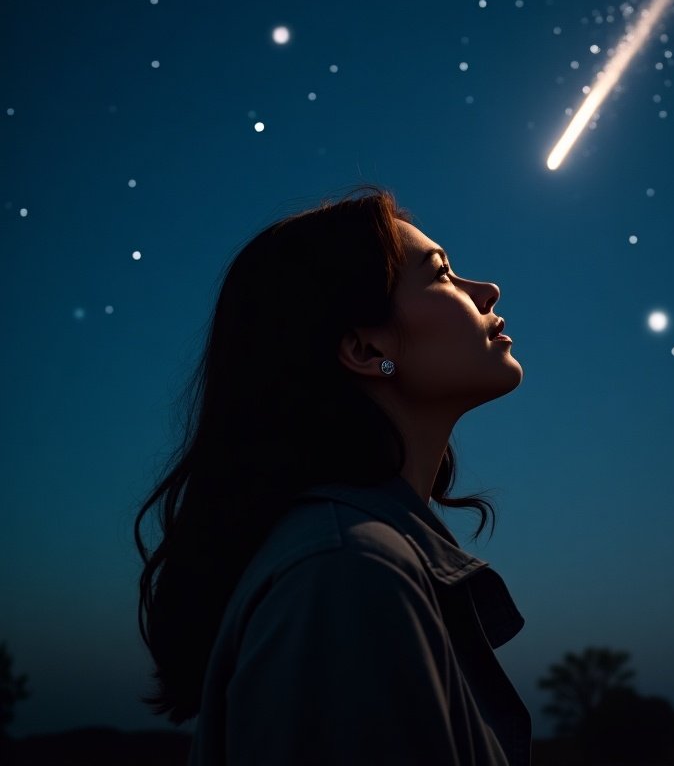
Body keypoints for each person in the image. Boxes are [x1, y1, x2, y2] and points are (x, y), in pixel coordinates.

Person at [134, 184, 531, 765]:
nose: (486, 290)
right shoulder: (349, 575)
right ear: (366, 350)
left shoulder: (352, 563)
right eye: (442, 273)